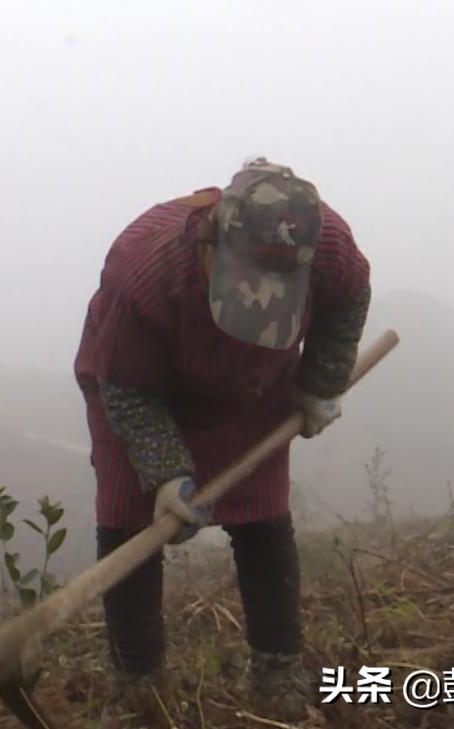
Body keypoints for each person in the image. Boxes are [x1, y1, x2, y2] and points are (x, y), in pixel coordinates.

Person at [74, 159, 370, 717]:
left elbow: (348, 298)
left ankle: (279, 669)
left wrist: (320, 382)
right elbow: (128, 389)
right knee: (129, 516)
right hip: (138, 383)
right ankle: (138, 680)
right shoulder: (143, 273)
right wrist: (165, 473)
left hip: (257, 380)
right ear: (213, 246)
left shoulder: (324, 244)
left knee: (263, 514)